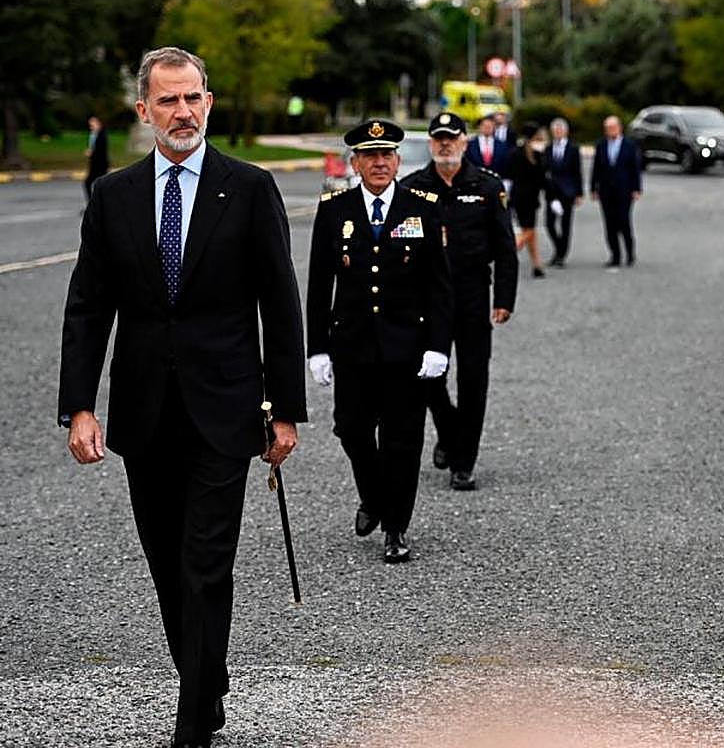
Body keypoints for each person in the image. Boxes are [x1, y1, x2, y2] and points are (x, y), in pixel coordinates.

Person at [57, 46, 306, 748]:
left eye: (193, 97)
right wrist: (79, 404)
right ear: (143, 111)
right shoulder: (114, 196)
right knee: (168, 564)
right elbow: (87, 307)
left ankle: (192, 719)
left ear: (209, 103)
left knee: (206, 562)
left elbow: (279, 306)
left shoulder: (250, 188)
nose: (183, 111)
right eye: (168, 100)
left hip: (226, 410)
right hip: (144, 413)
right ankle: (207, 678)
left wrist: (285, 409)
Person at [305, 119, 453, 563]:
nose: (379, 163)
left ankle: (396, 527)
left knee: (402, 439)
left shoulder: (421, 206)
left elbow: (438, 284)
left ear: (397, 161)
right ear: (355, 162)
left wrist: (437, 346)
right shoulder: (335, 209)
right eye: (370, 156)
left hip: (405, 346)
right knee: (351, 428)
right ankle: (372, 495)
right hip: (352, 346)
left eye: (387, 155)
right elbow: (318, 285)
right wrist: (317, 348)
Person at [402, 112, 518, 491]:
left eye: (452, 138)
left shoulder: (485, 187)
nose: (445, 144)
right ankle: (449, 429)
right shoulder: (413, 188)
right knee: (426, 377)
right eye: (438, 138)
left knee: (473, 378)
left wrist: (504, 298)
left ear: (465, 142)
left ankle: (463, 460)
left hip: (471, 296)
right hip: (426, 301)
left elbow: (504, 248)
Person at [590, 115, 642, 267]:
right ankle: (615, 255)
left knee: (624, 221)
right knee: (610, 224)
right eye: (607, 128)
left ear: (619, 128)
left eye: (612, 128)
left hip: (624, 190)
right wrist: (594, 187)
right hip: (606, 190)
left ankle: (630, 253)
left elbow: (635, 169)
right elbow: (596, 168)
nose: (610, 131)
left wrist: (636, 188)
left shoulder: (629, 146)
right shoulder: (601, 145)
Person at [509, 121, 548, 278]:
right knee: (528, 231)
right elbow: (541, 178)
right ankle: (507, 255)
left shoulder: (515, 152)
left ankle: (537, 264)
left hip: (518, 196)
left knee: (530, 231)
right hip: (529, 198)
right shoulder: (535, 155)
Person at [544, 116, 583, 267]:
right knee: (549, 224)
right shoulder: (548, 149)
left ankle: (561, 255)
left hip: (568, 191)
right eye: (555, 130)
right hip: (552, 192)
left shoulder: (573, 149)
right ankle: (558, 247)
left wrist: (579, 193)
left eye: (560, 130)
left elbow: (577, 171)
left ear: (566, 132)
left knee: (566, 225)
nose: (558, 132)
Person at [84, 115, 109, 201]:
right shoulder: (93, 135)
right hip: (94, 165)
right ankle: (94, 205)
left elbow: (101, 150)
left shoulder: (102, 135)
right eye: (90, 124)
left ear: (99, 124)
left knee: (91, 184)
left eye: (93, 123)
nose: (91, 126)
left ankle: (96, 205)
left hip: (100, 165)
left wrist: (91, 153)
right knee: (93, 184)